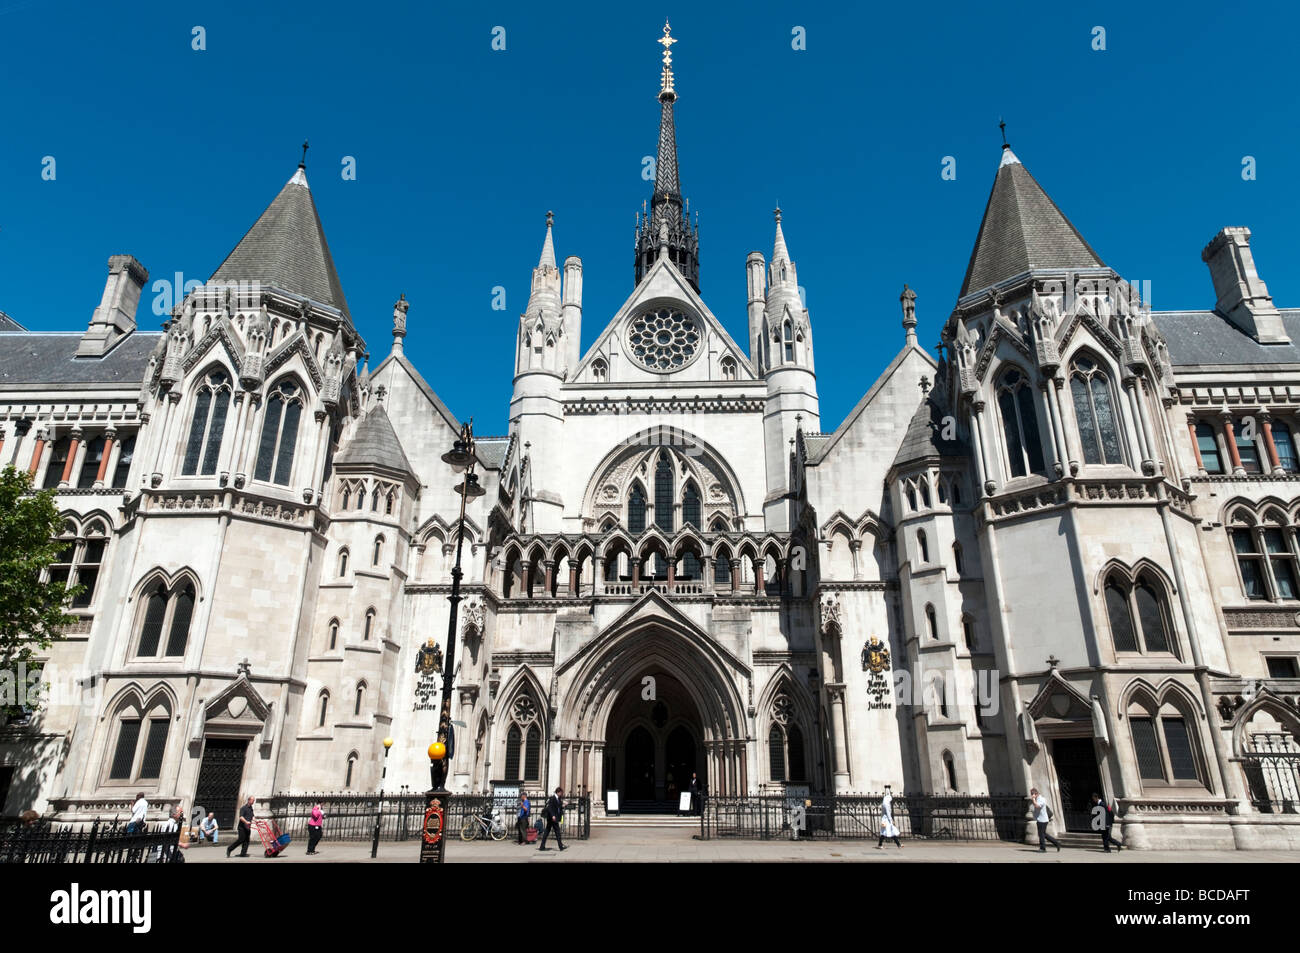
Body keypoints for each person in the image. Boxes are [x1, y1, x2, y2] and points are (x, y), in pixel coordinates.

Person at [1030, 787, 1061, 852]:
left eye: (1032, 794)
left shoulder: (1041, 799)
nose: (1031, 795)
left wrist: (1033, 799)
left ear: (1035, 793)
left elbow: (1037, 806)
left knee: (1041, 834)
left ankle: (1043, 848)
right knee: (1043, 834)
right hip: (1040, 819)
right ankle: (1057, 843)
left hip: (1042, 820)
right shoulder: (1037, 799)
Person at [538, 786, 566, 852]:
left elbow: (557, 807)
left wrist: (562, 806)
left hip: (553, 817)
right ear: (558, 792)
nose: (561, 794)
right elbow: (550, 808)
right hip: (552, 818)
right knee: (557, 832)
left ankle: (542, 846)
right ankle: (560, 846)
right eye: (561, 793)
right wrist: (553, 815)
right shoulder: (552, 798)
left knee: (547, 831)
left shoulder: (558, 799)